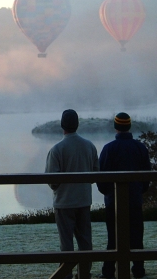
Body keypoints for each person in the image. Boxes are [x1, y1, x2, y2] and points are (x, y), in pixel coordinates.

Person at [96, 112, 151, 279]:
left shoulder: (109, 148)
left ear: (116, 127)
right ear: (129, 126)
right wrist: (139, 190)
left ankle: (109, 271)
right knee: (137, 237)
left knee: (113, 238)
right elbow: (146, 176)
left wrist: (107, 192)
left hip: (113, 201)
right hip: (134, 199)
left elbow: (102, 177)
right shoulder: (140, 148)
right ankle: (138, 270)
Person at [45, 109, 99, 279]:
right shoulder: (89, 146)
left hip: (64, 203)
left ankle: (65, 274)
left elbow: (52, 180)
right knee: (85, 242)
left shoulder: (57, 149)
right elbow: (95, 174)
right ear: (77, 124)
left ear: (62, 125)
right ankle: (84, 274)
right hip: (84, 200)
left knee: (66, 244)